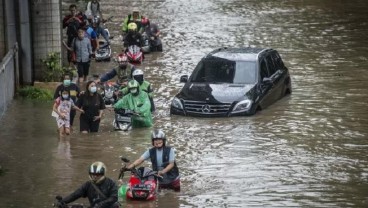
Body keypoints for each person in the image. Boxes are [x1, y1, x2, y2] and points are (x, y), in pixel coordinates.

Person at [54, 161, 119, 208]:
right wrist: (63, 201)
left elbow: (113, 198)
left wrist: (99, 205)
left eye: (97, 174)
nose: (95, 176)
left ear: (103, 173)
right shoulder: (88, 184)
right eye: (93, 174)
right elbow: (76, 194)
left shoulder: (111, 183)